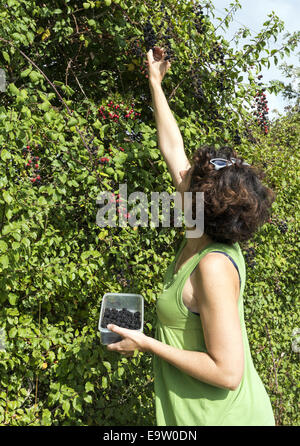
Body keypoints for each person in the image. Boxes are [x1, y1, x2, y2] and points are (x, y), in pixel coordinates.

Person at [106, 47, 276, 426]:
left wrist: (147, 343)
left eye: (188, 181)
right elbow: (174, 150)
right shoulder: (199, 235)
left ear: (198, 205)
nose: (180, 176)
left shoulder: (213, 266)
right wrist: (155, 83)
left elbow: (227, 373)